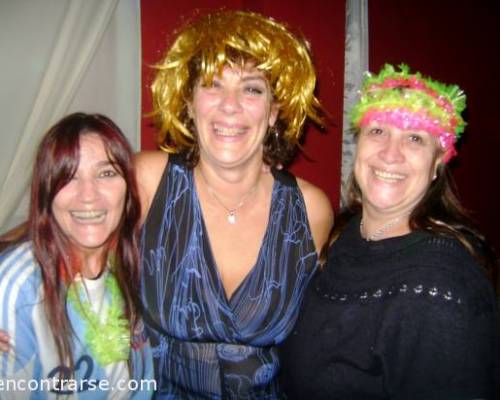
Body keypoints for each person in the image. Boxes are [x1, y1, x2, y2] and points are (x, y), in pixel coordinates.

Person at [135, 10, 333, 398]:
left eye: (252, 89)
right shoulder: (148, 179)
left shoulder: (310, 209)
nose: (230, 105)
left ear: (274, 112)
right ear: (189, 104)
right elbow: (65, 234)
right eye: (212, 85)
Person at [280, 64, 499, 399]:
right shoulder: (344, 233)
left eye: (414, 138)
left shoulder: (441, 290)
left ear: (438, 162)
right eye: (378, 131)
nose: (390, 154)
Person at [0, 113, 153, 399]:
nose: (88, 196)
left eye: (106, 173)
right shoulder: (20, 290)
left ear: (128, 189)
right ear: (47, 192)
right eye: (68, 176)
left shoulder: (134, 258)